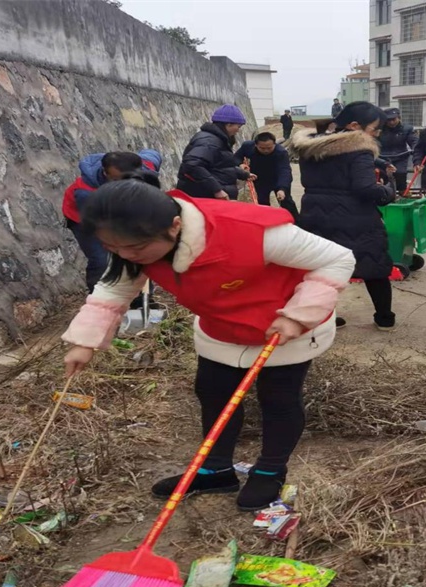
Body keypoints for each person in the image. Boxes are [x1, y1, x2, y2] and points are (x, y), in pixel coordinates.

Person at [61, 176, 355, 511]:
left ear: (174, 226)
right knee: (213, 392)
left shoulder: (252, 231)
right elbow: (113, 290)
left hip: (284, 324)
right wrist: (85, 341)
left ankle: (271, 469)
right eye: (113, 249)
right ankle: (216, 469)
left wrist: (297, 316)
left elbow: (338, 259)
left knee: (279, 397)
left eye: (136, 249)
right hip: (221, 326)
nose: (127, 256)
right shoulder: (132, 243)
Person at [290, 101, 397, 330]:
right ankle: (384, 317)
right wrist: (388, 190)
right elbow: (365, 189)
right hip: (354, 217)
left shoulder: (312, 146)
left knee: (322, 268)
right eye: (373, 130)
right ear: (355, 125)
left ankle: (325, 316)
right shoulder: (359, 150)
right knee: (373, 265)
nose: (375, 135)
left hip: (314, 214)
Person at [62, 150, 162, 292]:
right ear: (105, 173)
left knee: (138, 252)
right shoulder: (87, 192)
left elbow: (153, 154)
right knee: (101, 259)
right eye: (117, 180)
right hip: (86, 219)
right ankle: (98, 298)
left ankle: (141, 299)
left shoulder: (146, 166)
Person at [177, 104, 254, 200]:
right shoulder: (209, 142)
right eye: (238, 126)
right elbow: (193, 165)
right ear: (228, 125)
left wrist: (244, 174)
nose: (238, 130)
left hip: (210, 195)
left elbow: (221, 166)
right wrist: (217, 190)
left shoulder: (219, 140)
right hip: (203, 197)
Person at [235, 132, 300, 222]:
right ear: (256, 145)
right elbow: (236, 157)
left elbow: (284, 171)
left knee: (286, 201)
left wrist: (282, 188)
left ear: (274, 144)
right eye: (262, 148)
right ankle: (267, 222)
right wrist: (240, 164)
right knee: (262, 202)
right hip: (259, 178)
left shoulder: (281, 152)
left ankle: (296, 223)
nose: (266, 150)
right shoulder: (248, 146)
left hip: (277, 178)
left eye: (269, 148)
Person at [379, 108, 418, 195]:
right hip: (382, 157)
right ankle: (383, 193)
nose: (391, 122)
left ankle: (402, 192)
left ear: (399, 118)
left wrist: (415, 149)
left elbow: (414, 141)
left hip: (401, 156)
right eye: (389, 120)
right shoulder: (379, 130)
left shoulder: (407, 129)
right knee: (382, 175)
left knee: (400, 173)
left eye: (394, 119)